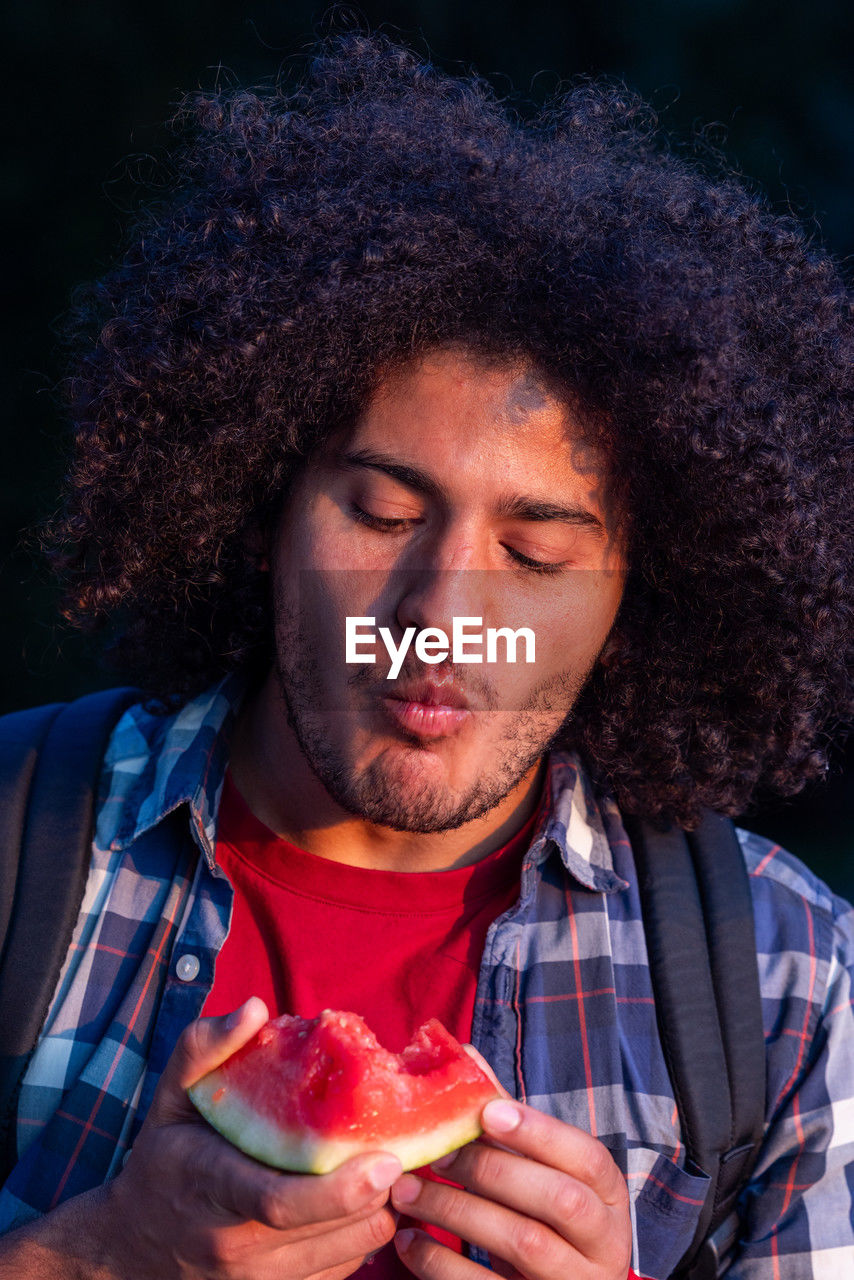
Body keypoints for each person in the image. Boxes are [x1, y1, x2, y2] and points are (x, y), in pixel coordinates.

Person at [0, 29, 852, 1280]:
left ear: (642, 588)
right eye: (384, 516)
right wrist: (89, 1256)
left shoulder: (793, 984)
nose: (439, 611)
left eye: (539, 551)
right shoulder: (18, 839)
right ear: (257, 503)